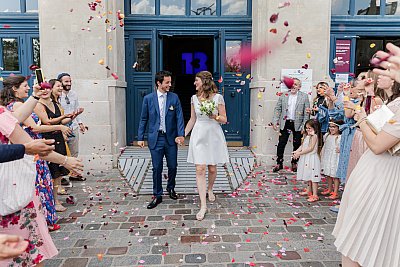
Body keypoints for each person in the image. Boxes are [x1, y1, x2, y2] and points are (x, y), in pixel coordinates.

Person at [333, 42, 400, 267]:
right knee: (357, 237)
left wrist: (361, 117)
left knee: (363, 237)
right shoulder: (394, 103)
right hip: (372, 169)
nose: (380, 74)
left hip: (382, 175)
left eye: (388, 69)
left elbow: (378, 144)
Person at [0, 99, 83, 267]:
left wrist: (35, 96)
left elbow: (16, 120)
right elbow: (30, 145)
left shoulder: (4, 115)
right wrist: (65, 160)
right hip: (9, 196)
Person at [0, 76, 73, 230]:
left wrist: (35, 96)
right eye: (25, 86)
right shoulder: (15, 105)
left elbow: (16, 121)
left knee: (41, 184)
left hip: (30, 149)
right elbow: (32, 127)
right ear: (14, 88)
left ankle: (44, 220)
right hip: (25, 152)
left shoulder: (8, 109)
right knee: (38, 185)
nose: (27, 88)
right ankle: (44, 220)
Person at [185, 71, 229, 221]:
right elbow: (192, 119)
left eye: (196, 80)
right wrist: (182, 134)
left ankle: (210, 188)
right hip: (199, 134)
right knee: (200, 168)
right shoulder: (193, 98)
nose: (194, 83)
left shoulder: (218, 98)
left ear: (204, 82)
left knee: (212, 168)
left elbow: (224, 119)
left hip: (213, 134)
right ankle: (203, 205)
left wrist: (214, 116)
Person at [137, 71, 185, 209]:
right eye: (167, 82)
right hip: (155, 138)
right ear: (159, 83)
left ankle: (170, 188)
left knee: (173, 166)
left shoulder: (174, 98)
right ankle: (157, 195)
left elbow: (179, 117)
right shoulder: (148, 99)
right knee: (157, 168)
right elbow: (143, 119)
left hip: (170, 138)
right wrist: (140, 137)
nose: (170, 85)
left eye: (170, 82)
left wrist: (181, 135)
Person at [34, 80, 78, 212]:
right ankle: (54, 201)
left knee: (58, 173)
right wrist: (61, 122)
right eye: (43, 89)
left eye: (47, 88)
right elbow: (47, 122)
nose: (45, 91)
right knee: (51, 172)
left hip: (58, 138)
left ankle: (56, 198)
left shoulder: (55, 103)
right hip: (48, 139)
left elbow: (62, 120)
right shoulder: (38, 104)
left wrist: (73, 116)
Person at [272, 78, 310, 172]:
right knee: (281, 143)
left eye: (296, 84)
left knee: (296, 144)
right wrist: (275, 121)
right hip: (285, 123)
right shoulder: (283, 95)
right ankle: (279, 163)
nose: (293, 86)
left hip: (298, 124)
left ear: (299, 87)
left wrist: (304, 126)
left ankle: (294, 163)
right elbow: (278, 108)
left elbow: (307, 113)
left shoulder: (304, 96)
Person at [58, 73, 87, 183]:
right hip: (62, 126)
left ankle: (74, 174)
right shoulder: (57, 95)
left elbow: (76, 108)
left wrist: (80, 123)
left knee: (74, 151)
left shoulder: (74, 94)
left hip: (73, 126)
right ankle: (63, 177)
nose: (69, 83)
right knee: (63, 152)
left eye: (70, 81)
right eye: (66, 81)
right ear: (60, 82)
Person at [293, 119, 322, 202]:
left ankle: (315, 194)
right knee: (308, 174)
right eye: (306, 128)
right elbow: (302, 146)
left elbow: (310, 148)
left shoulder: (314, 136)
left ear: (315, 128)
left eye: (310, 128)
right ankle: (309, 190)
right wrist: (297, 151)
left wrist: (300, 153)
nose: (308, 130)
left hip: (312, 158)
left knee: (313, 176)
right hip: (306, 157)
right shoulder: (307, 136)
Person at [320, 120, 343, 200]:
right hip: (327, 156)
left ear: (338, 128)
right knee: (328, 174)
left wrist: (340, 150)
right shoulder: (326, 136)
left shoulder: (340, 137)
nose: (331, 128)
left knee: (335, 175)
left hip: (335, 157)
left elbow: (342, 147)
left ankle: (335, 191)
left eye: (334, 127)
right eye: (330, 126)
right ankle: (329, 189)